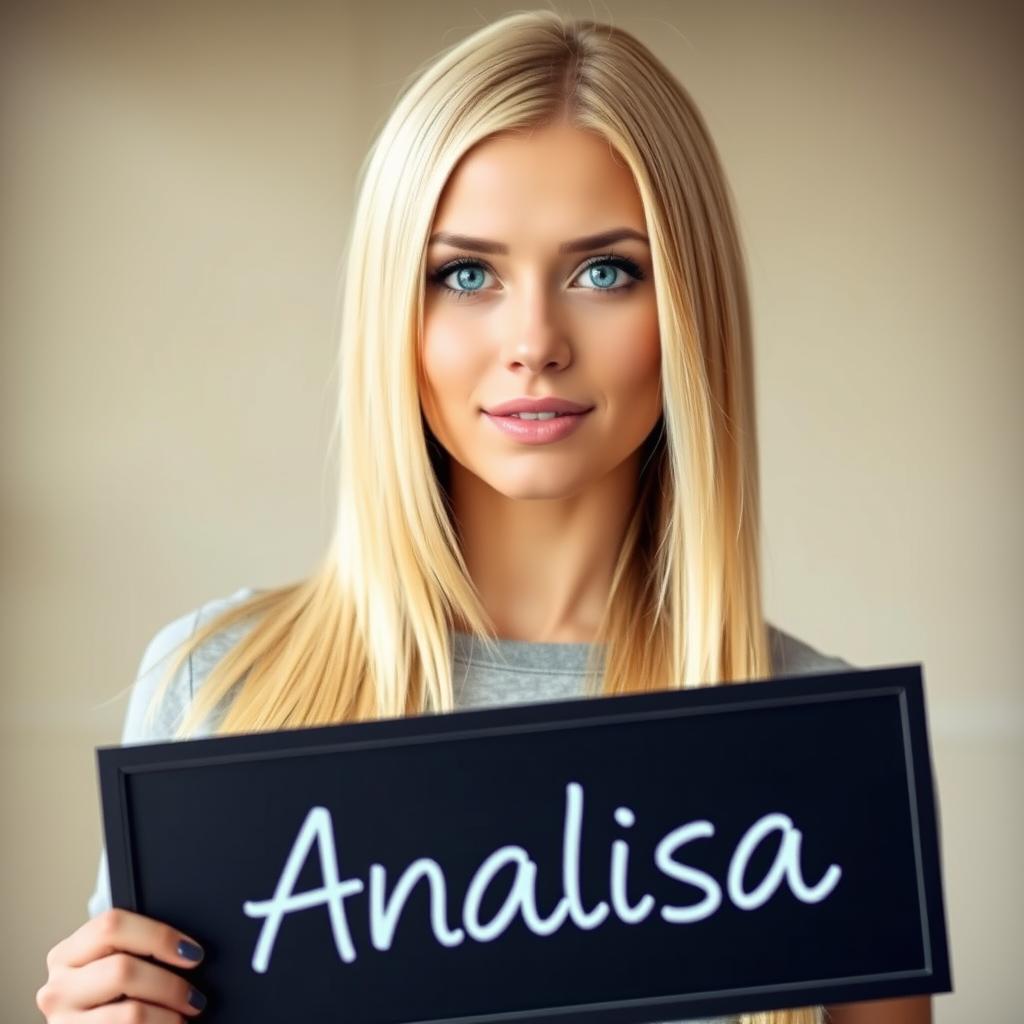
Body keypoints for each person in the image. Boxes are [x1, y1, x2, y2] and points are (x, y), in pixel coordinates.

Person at [36, 10, 931, 1024]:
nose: (534, 340)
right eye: (466, 274)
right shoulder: (214, 689)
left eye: (605, 271)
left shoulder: (831, 751)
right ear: (394, 313)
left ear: (689, 308)